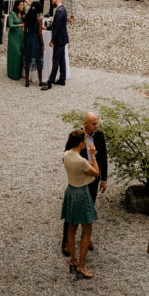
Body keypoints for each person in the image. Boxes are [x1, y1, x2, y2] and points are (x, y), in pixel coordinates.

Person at [63, 111, 108, 255]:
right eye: (94, 123)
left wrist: (104, 180)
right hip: (81, 179)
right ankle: (65, 242)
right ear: (85, 124)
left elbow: (104, 159)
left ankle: (85, 238)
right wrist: (84, 164)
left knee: (89, 207)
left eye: (97, 123)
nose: (96, 126)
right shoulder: (77, 136)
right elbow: (67, 155)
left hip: (93, 180)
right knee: (72, 213)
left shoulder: (99, 135)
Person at [61, 129, 98, 279]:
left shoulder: (66, 155)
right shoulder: (81, 161)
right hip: (81, 194)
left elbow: (77, 165)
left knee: (71, 227)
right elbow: (96, 173)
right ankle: (81, 265)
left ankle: (73, 260)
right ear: (81, 142)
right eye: (85, 139)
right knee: (87, 230)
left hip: (71, 191)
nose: (87, 141)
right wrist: (93, 157)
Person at [41, 0, 68, 89]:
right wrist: (47, 28)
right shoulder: (62, 9)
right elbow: (56, 25)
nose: (52, 2)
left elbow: (57, 28)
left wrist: (52, 40)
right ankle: (62, 79)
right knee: (61, 59)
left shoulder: (60, 11)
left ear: (56, 0)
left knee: (55, 60)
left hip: (59, 39)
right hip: (62, 38)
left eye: (52, 0)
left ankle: (50, 82)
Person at [23, 0, 44, 88]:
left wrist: (24, 41)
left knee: (28, 59)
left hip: (28, 39)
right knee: (38, 59)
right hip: (36, 40)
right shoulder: (39, 19)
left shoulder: (26, 18)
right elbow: (40, 33)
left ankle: (27, 81)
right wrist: (43, 44)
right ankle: (40, 81)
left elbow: (25, 32)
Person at [6, 0, 25, 80]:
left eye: (23, 5)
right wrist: (19, 25)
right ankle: (13, 73)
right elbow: (10, 25)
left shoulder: (22, 14)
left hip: (21, 35)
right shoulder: (12, 14)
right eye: (21, 5)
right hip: (13, 36)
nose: (22, 6)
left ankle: (19, 72)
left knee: (21, 53)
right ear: (17, 6)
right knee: (16, 53)